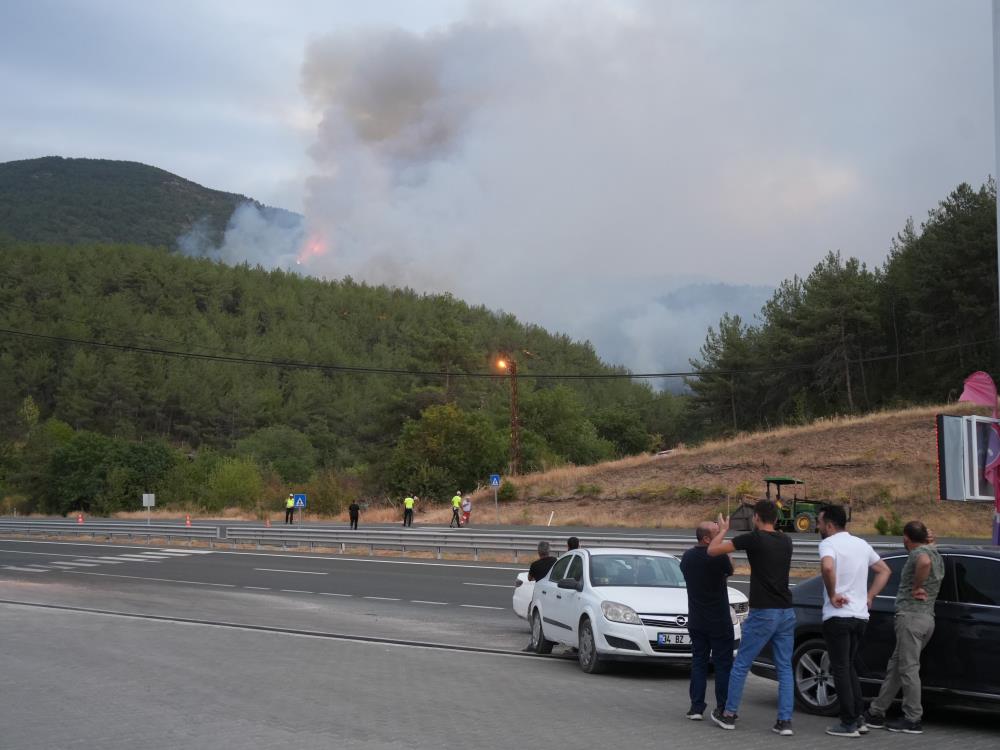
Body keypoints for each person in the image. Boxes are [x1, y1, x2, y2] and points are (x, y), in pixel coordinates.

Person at [708, 499, 795, 736]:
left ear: (756, 517)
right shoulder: (787, 541)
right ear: (776, 518)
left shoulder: (753, 539)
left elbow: (712, 550)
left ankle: (728, 714)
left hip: (763, 611)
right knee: (785, 667)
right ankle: (784, 721)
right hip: (786, 611)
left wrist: (723, 530)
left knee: (742, 664)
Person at [862, 520, 944, 735]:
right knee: (897, 667)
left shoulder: (920, 554)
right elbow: (929, 553)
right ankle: (876, 712)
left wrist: (916, 586)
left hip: (911, 617)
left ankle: (912, 718)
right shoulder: (934, 551)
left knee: (908, 668)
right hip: (927, 618)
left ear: (906, 538)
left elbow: (923, 562)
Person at [816, 504, 891, 738]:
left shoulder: (828, 543)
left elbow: (827, 567)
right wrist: (870, 596)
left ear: (829, 525)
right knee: (848, 668)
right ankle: (859, 718)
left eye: (819, 522)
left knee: (840, 669)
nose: (817, 526)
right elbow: (884, 570)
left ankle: (848, 722)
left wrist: (832, 594)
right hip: (860, 616)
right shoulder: (861, 544)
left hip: (837, 616)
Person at [680, 521, 735, 722]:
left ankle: (696, 707)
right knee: (723, 665)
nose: (720, 534)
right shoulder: (718, 557)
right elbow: (731, 570)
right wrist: (727, 551)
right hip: (719, 620)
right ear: (706, 539)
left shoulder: (687, 557)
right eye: (716, 532)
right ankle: (723, 706)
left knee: (699, 663)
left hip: (696, 619)